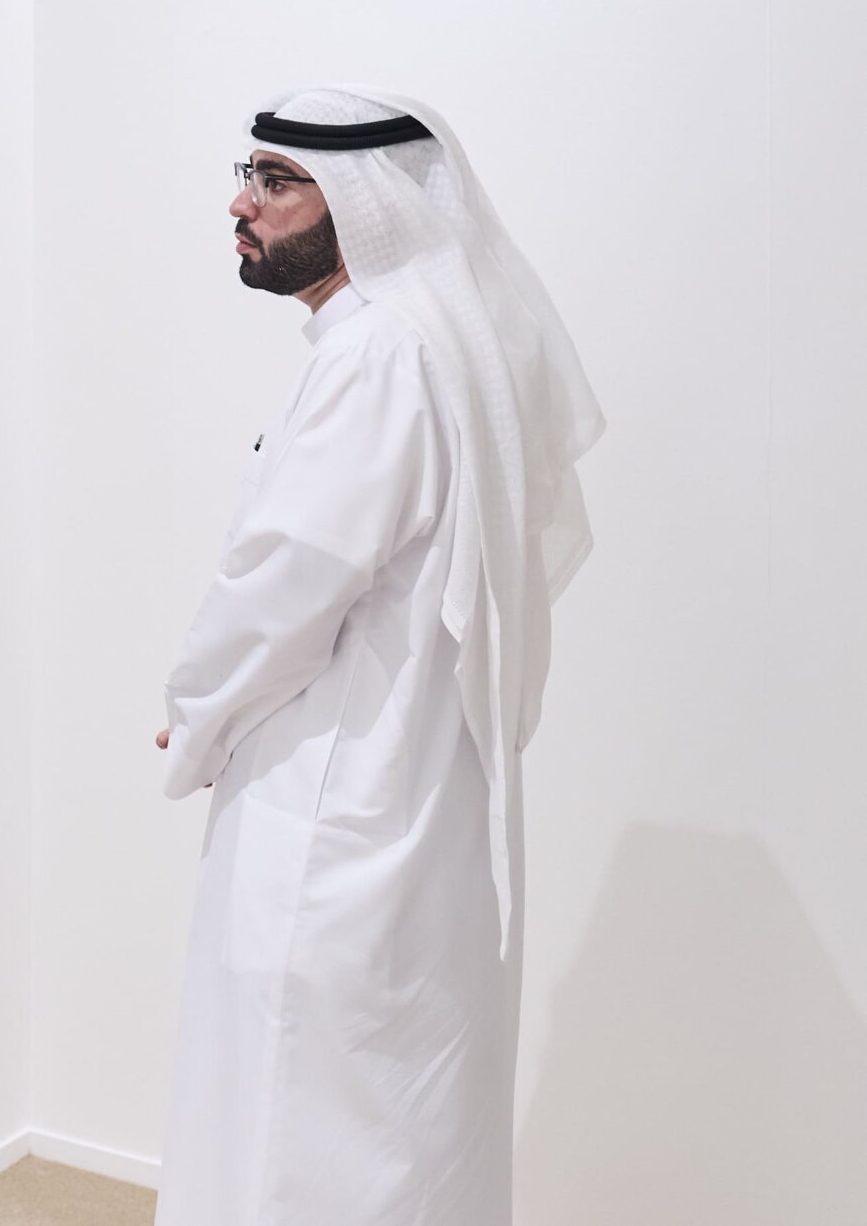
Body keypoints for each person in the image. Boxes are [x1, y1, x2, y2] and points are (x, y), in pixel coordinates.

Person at [152, 90, 602, 1225]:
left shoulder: (378, 356)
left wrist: (193, 715)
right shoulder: (439, 346)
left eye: (275, 181)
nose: (241, 205)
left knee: (298, 1131)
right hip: (405, 802)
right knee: (394, 1131)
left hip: (332, 813)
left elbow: (284, 584)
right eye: (248, 174)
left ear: (362, 205)